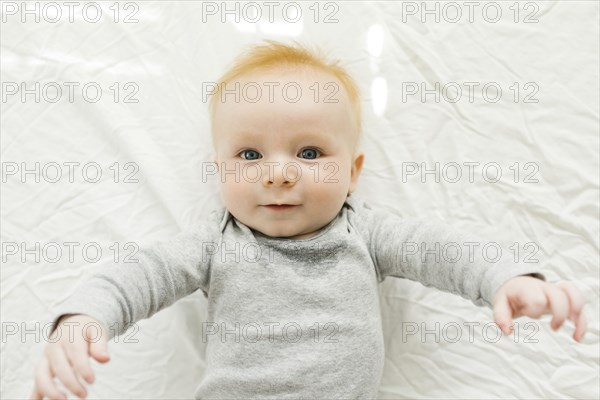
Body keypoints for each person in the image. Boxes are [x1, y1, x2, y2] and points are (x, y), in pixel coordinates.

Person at [31, 40, 587, 400]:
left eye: (309, 153)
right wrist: (82, 320)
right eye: (250, 157)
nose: (277, 174)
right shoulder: (213, 242)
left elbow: (445, 250)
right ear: (219, 170)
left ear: (353, 172)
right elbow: (136, 277)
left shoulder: (366, 233)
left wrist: (511, 280)